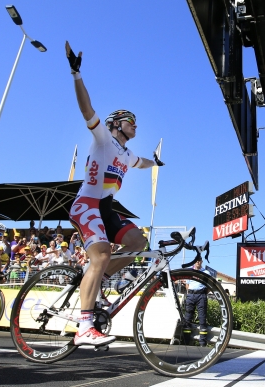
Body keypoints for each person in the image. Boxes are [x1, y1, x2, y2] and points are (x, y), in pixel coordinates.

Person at [65, 41, 165, 346]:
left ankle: (99, 276)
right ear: (116, 124)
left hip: (106, 208)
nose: (135, 125)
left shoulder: (126, 152)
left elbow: (142, 162)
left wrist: (154, 162)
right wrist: (76, 74)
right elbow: (87, 109)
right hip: (86, 204)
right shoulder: (104, 139)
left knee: (138, 242)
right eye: (130, 121)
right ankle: (83, 327)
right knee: (103, 252)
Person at [183, 258, 212, 346]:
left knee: (202, 319)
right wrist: (191, 293)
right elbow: (187, 285)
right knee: (187, 319)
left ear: (202, 261)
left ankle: (202, 342)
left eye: (199, 260)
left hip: (201, 296)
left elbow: (210, 286)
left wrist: (202, 293)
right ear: (194, 261)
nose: (198, 262)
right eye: (196, 260)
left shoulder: (206, 272)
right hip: (191, 295)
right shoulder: (190, 271)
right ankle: (186, 341)